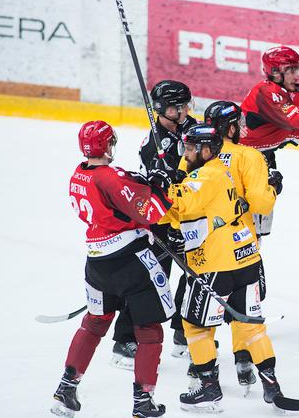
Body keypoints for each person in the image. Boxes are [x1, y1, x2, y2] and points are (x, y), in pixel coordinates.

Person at [51, 121, 175, 418]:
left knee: (95, 322)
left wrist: (141, 182)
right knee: (149, 330)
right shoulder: (111, 177)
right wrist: (160, 185)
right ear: (106, 145)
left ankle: (66, 388)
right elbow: (152, 212)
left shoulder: (79, 173)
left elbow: (114, 195)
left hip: (96, 261)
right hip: (130, 260)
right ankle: (144, 402)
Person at [162, 124, 281, 412]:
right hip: (246, 257)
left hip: (215, 264)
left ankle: (208, 389)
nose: (185, 153)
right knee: (251, 327)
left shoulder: (205, 176)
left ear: (207, 150)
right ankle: (270, 382)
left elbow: (174, 206)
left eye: (190, 149)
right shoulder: (220, 170)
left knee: (195, 326)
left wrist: (162, 186)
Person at [111, 80, 197, 367]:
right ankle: (125, 339)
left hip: (191, 214)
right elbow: (154, 188)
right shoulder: (153, 145)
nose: (184, 111)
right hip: (162, 220)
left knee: (195, 273)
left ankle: (183, 334)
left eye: (186, 105)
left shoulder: (192, 127)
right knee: (152, 279)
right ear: (162, 109)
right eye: (177, 107)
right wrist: (165, 171)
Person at [202, 100, 282, 394]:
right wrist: (273, 187)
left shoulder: (195, 154)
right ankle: (246, 364)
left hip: (204, 251)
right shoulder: (248, 156)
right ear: (232, 127)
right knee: (246, 312)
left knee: (202, 320)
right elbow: (262, 203)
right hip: (243, 248)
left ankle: (204, 378)